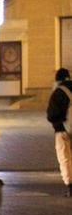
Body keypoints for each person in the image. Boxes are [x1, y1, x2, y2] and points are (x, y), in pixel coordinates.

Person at [46, 68, 72, 197]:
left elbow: (51, 115)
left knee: (65, 158)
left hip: (63, 131)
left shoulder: (59, 92)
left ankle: (70, 186)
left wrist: (60, 124)